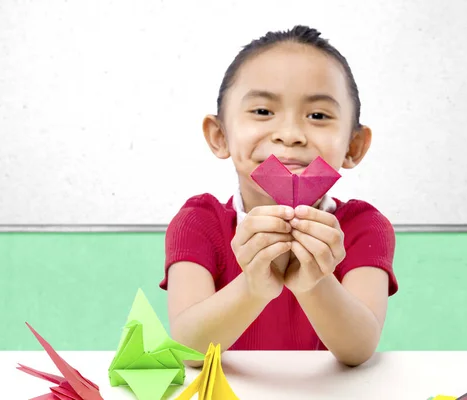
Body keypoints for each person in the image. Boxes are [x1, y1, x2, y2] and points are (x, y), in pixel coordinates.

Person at [158, 25, 398, 367]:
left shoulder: (363, 227)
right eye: (262, 111)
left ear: (353, 146)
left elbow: (358, 351)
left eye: (318, 116)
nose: (290, 135)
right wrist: (253, 288)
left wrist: (315, 284)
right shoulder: (198, 221)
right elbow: (190, 349)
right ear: (219, 136)